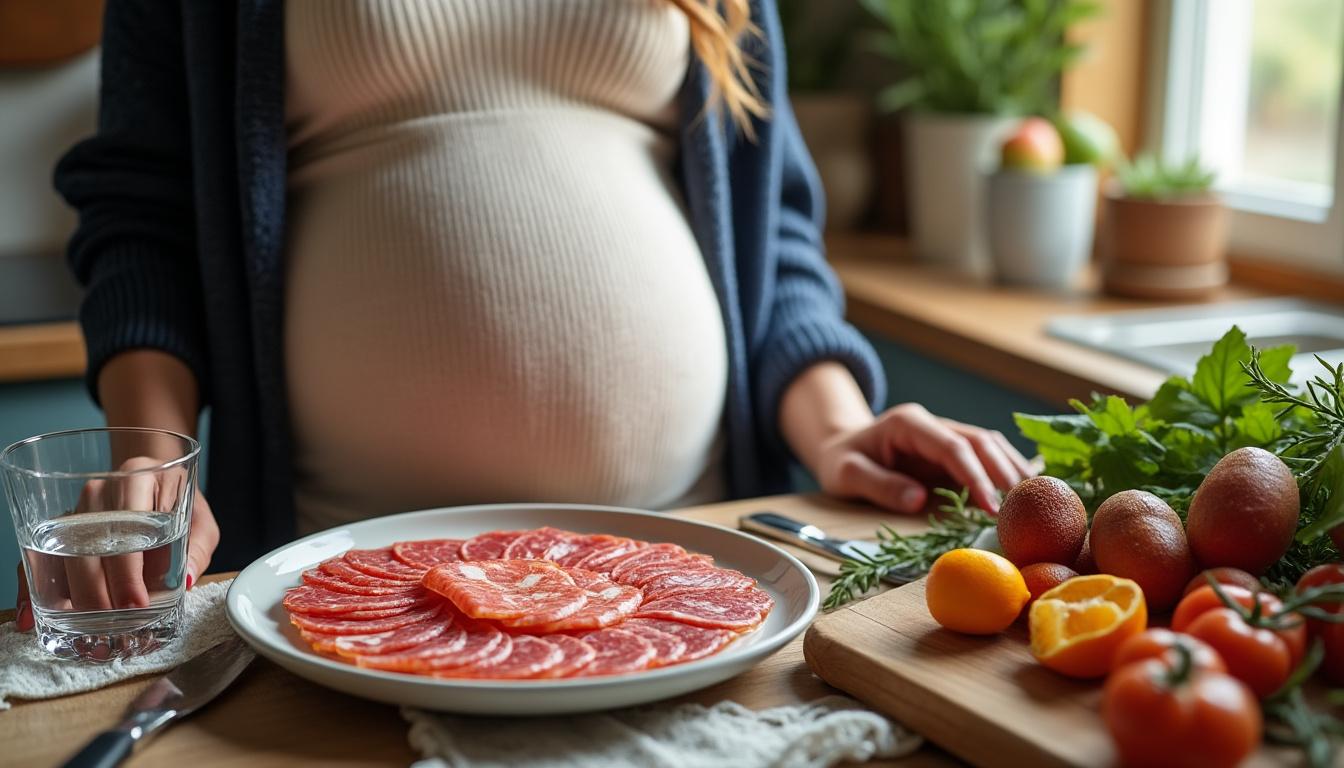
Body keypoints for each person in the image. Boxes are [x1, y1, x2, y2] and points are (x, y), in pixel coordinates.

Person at [13, 0, 1031, 629]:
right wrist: (158, 451)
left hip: (689, 565)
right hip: (344, 576)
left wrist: (840, 422)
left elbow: (776, 231)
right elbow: (142, 215)